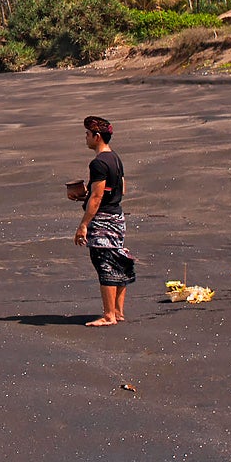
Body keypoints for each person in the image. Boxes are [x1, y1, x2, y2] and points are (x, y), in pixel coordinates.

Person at [70, 114, 132, 326]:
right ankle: (118, 311)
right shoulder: (115, 157)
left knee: (104, 263)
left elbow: (97, 199)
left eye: (87, 134)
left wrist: (83, 225)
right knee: (118, 261)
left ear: (97, 136)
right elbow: (120, 188)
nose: (85, 138)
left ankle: (109, 316)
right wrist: (85, 194)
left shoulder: (98, 163)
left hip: (103, 219)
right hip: (117, 217)